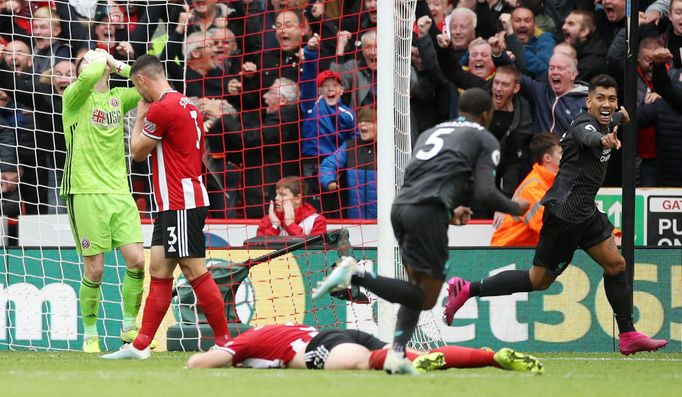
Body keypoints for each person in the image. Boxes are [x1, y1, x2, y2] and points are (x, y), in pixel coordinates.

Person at [443, 75, 669, 356]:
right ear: (588, 102)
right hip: (565, 216)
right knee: (539, 280)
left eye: (612, 99)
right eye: (600, 98)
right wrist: (606, 139)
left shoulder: (604, 121)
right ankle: (467, 289)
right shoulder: (585, 126)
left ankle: (628, 334)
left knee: (616, 264)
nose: (607, 104)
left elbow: (611, 121)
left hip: (585, 211)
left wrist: (619, 119)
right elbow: (591, 137)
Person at [312, 88, 529, 374]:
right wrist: (517, 208)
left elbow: (421, 180)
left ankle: (397, 354)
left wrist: (450, 214)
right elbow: (486, 193)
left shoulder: (431, 133)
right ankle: (357, 275)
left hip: (402, 208)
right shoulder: (484, 137)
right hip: (426, 213)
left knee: (414, 292)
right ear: (487, 114)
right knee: (424, 298)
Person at [101, 54, 231, 359]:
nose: (139, 94)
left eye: (137, 87)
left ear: (143, 80)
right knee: (159, 269)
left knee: (194, 269)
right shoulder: (187, 104)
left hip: (180, 202)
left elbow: (136, 152)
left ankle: (226, 342)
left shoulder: (162, 108)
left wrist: (139, 118)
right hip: (174, 203)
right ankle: (140, 346)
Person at [59, 49, 146, 353]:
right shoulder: (74, 96)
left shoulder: (118, 99)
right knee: (95, 269)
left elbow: (149, 83)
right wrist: (101, 56)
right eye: (87, 58)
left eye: (97, 59)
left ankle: (128, 325)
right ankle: (90, 333)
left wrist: (120, 65)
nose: (95, 61)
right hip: (84, 191)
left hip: (119, 192)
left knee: (137, 260)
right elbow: (90, 74)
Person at [186, 323, 543, 375]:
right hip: (338, 332)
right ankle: (490, 357)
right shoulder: (279, 327)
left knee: (366, 364)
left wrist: (200, 357)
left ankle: (409, 361)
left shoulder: (247, 339)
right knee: (409, 354)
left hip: (320, 346)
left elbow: (201, 363)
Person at [491, 132, 562, 246]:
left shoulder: (550, 182)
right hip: (507, 252)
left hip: (523, 251)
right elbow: (548, 227)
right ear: (547, 158)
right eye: (561, 153)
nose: (567, 156)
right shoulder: (532, 187)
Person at [319, 107, 377, 219]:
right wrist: (329, 180)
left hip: (382, 222)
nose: (362, 125)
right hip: (353, 220)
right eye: (360, 121)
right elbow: (327, 165)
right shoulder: (350, 147)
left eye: (368, 122)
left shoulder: (389, 149)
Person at [256, 176, 327, 237]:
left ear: (298, 198)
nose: (276, 198)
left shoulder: (317, 220)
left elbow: (316, 250)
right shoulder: (268, 220)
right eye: (276, 194)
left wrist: (291, 225)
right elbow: (257, 250)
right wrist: (274, 226)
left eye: (282, 195)